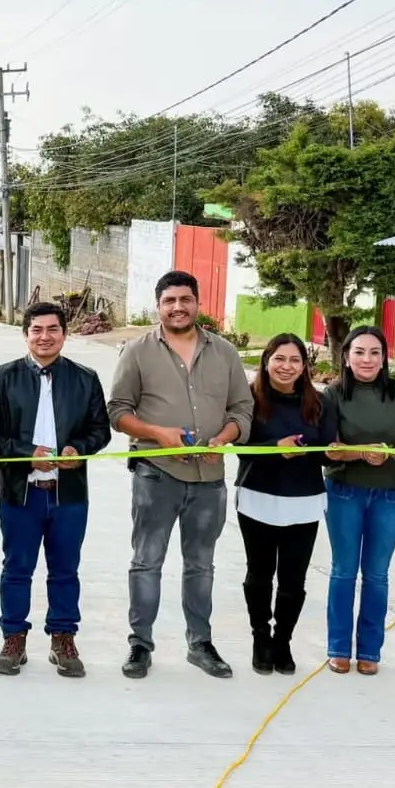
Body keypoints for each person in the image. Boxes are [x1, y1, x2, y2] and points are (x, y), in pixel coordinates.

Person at [108, 270, 253, 680]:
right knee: (146, 561)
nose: (178, 307)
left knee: (200, 565)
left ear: (198, 303)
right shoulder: (137, 351)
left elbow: (242, 410)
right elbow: (118, 411)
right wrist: (159, 434)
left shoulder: (224, 353)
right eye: (169, 300)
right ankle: (140, 644)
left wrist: (223, 437)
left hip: (209, 479)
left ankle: (200, 643)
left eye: (185, 299)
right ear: (159, 306)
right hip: (156, 474)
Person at [0, 302, 112, 678]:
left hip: (67, 494)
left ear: (64, 335)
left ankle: (63, 638)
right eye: (37, 329)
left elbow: (101, 430)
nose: (45, 336)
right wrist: (25, 455)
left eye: (52, 329)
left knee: (65, 569)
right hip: (20, 494)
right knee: (17, 569)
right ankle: (13, 638)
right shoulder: (2, 377)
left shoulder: (85, 379)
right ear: (25, 335)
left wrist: (78, 450)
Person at [321, 326, 395, 676]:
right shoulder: (332, 395)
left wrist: (392, 454)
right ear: (346, 357)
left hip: (391, 494)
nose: (367, 359)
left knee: (377, 575)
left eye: (375, 352)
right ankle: (338, 648)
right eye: (360, 352)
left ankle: (369, 651)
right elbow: (330, 450)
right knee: (343, 571)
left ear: (384, 357)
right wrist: (359, 455)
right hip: (345, 492)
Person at [234, 333, 338, 676]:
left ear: (304, 366)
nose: (286, 366)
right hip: (258, 496)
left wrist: (334, 451)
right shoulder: (248, 398)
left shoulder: (320, 402)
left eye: (295, 360)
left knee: (294, 580)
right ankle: (260, 637)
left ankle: (283, 640)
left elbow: (326, 451)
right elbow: (239, 443)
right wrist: (274, 446)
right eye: (279, 358)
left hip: (304, 500)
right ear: (266, 361)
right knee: (259, 574)